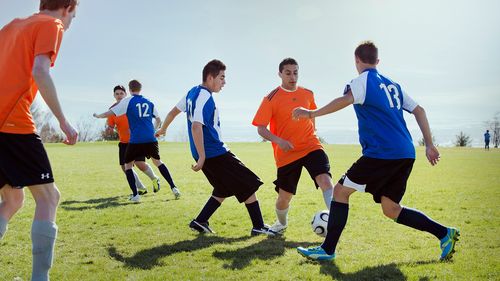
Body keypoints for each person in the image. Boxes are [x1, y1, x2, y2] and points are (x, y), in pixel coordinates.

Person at [295, 41, 459, 261]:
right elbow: (419, 110)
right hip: (405, 153)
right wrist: (429, 144)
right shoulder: (394, 85)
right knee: (390, 208)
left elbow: (344, 100)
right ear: (377, 61)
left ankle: (327, 249)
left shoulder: (362, 80)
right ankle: (444, 234)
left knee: (340, 192)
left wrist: (310, 113)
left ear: (357, 61)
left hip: (382, 153)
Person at [0, 1, 79, 280]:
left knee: (13, 199)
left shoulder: (10, 26)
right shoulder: (51, 24)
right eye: (73, 17)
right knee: (49, 196)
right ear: (67, 7)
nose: (70, 24)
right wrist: (64, 121)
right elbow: (40, 71)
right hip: (14, 123)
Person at [156, 59, 276, 236]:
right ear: (210, 78)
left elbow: (173, 112)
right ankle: (258, 226)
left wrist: (163, 129)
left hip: (205, 152)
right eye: (221, 78)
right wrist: (203, 157)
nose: (224, 82)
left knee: (223, 188)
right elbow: (197, 126)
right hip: (214, 152)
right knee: (247, 183)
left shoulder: (192, 92)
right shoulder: (204, 95)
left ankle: (200, 221)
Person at [251, 58, 335, 234]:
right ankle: (281, 224)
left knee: (325, 180)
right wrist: (279, 141)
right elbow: (260, 128)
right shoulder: (271, 98)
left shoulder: (308, 93)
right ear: (280, 74)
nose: (292, 77)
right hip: (287, 153)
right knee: (284, 198)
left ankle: (336, 222)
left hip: (311, 146)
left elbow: (312, 113)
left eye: (295, 72)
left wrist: (314, 130)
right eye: (288, 73)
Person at [93, 80, 180, 202]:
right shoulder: (149, 101)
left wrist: (98, 116)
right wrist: (154, 130)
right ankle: (174, 188)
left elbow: (110, 112)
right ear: (140, 89)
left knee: (127, 166)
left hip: (135, 140)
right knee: (158, 162)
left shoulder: (127, 101)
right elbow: (159, 119)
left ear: (129, 90)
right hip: (150, 138)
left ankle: (135, 195)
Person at [106, 85, 164, 196]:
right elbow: (111, 126)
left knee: (140, 164)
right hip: (123, 142)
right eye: (117, 94)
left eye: (121, 93)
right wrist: (109, 129)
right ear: (114, 95)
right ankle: (141, 187)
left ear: (125, 94)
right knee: (125, 167)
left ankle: (154, 178)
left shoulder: (131, 105)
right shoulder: (112, 111)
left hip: (137, 141)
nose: (119, 96)